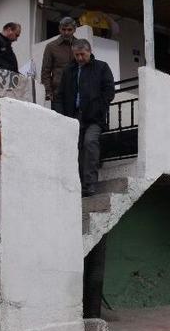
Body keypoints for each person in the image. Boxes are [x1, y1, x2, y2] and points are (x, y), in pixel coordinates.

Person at [56, 39, 115, 197]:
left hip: (94, 117)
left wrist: (98, 108)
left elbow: (109, 91)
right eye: (77, 55)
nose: (80, 58)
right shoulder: (69, 70)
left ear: (89, 51)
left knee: (90, 143)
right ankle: (79, 184)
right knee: (77, 149)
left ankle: (90, 184)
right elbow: (60, 94)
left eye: (82, 54)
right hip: (73, 117)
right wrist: (63, 115)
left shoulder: (102, 67)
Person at [42, 17, 77, 112]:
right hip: (58, 94)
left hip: (77, 92)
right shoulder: (51, 47)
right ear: (59, 29)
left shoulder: (79, 45)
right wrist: (48, 91)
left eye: (69, 30)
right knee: (60, 123)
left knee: (76, 123)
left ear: (74, 29)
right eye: (63, 29)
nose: (66, 32)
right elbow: (46, 71)